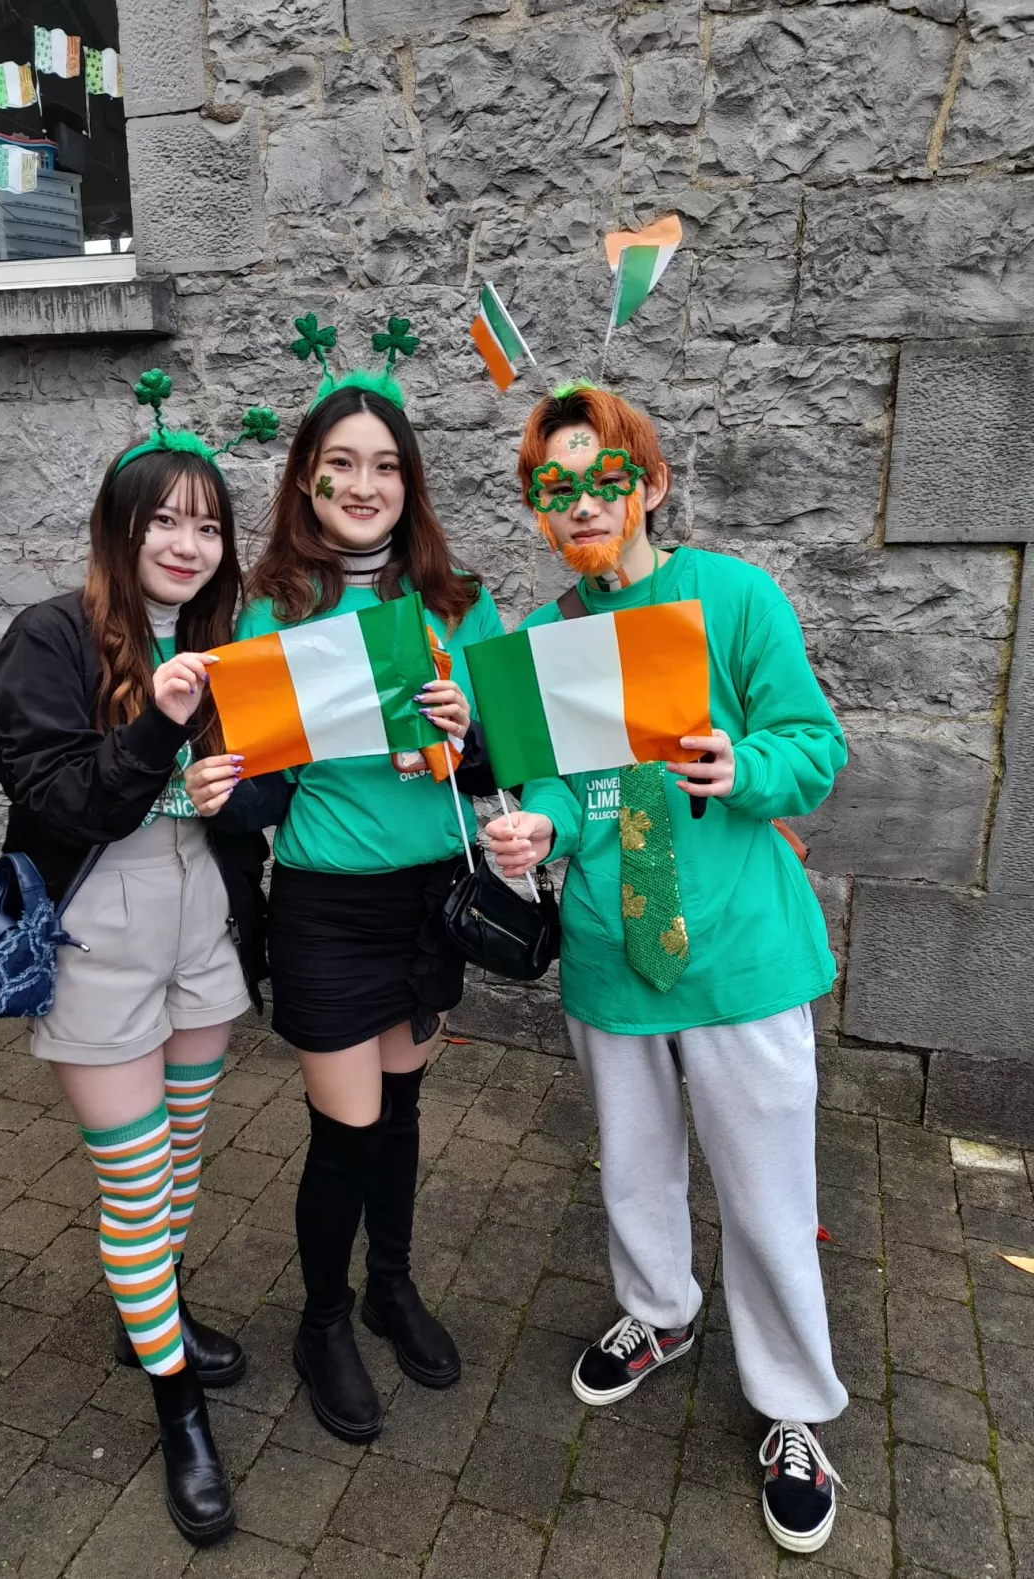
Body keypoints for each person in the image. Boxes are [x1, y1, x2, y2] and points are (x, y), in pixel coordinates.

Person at [485, 381, 849, 1556]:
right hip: (609, 949)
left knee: (766, 1191)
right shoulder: (542, 641)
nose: (582, 504)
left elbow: (813, 746)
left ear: (648, 482)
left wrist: (739, 763)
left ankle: (793, 1403)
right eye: (555, 489)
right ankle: (656, 1314)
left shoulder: (734, 599)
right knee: (633, 1167)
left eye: (603, 479)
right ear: (540, 510)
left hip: (739, 951)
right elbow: (552, 787)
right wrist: (536, 830)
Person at [0, 392, 290, 1547]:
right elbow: (57, 793)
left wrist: (235, 789)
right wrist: (157, 727)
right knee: (131, 1178)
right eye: (163, 521)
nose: (185, 545)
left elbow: (271, 792)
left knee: (182, 1151)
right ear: (119, 529)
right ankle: (178, 1405)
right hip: (96, 926)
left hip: (205, 915)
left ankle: (149, 1310)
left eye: (206, 527)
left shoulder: (228, 645)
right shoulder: (49, 637)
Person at [235, 325, 503, 1445]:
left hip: (427, 897)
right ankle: (323, 1318)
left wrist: (463, 728)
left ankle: (390, 1285)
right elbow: (249, 792)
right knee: (342, 1126)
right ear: (307, 477)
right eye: (340, 462)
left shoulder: (455, 599)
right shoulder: (271, 610)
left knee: (399, 1112)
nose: (363, 483)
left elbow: (504, 768)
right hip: (326, 907)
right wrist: (275, 752)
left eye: (385, 464)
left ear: (410, 483)